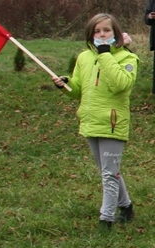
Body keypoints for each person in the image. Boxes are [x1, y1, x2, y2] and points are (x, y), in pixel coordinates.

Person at [53, 14, 139, 229]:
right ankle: (126, 207)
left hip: (112, 123)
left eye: (107, 30)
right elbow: (79, 90)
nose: (102, 34)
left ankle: (106, 219)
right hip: (90, 121)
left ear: (116, 33)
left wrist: (105, 55)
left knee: (110, 174)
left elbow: (121, 84)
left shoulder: (127, 58)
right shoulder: (84, 57)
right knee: (107, 170)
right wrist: (66, 84)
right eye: (97, 31)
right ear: (90, 35)